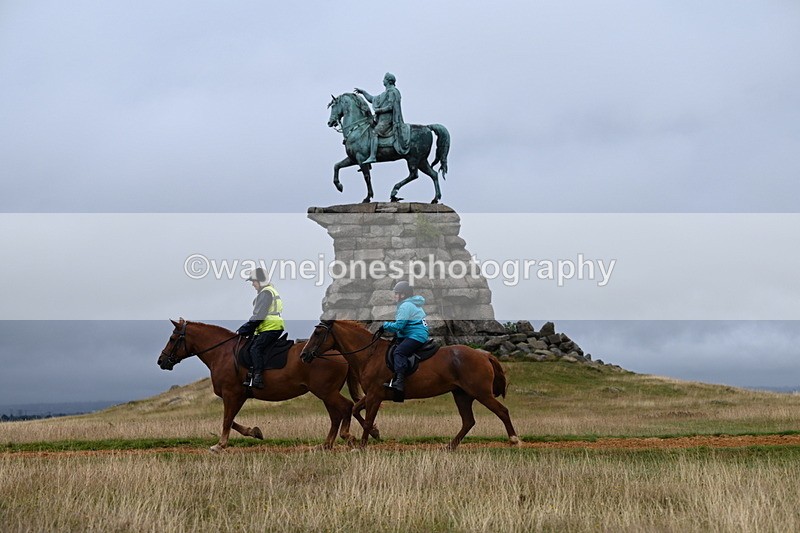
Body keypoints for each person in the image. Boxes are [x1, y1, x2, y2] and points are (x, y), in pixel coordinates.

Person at [237, 267, 284, 389]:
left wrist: (243, 329)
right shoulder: (269, 291)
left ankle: (258, 377)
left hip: (270, 327)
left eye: (254, 281)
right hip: (269, 326)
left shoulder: (265, 293)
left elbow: (259, 315)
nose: (253, 284)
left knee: (255, 348)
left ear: (261, 281)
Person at [380, 280, 429, 397]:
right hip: (413, 333)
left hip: (415, 335)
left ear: (403, 295)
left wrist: (385, 325)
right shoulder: (409, 304)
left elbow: (399, 326)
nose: (395, 296)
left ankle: (399, 383)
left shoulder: (406, 306)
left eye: (397, 293)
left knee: (399, 352)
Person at [354, 72, 411, 164]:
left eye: (384, 79)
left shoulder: (393, 92)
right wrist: (363, 92)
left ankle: (373, 156)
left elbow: (391, 106)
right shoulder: (385, 93)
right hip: (381, 120)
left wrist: (379, 110)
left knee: (374, 132)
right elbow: (372, 99)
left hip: (388, 121)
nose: (382, 81)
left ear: (388, 81)